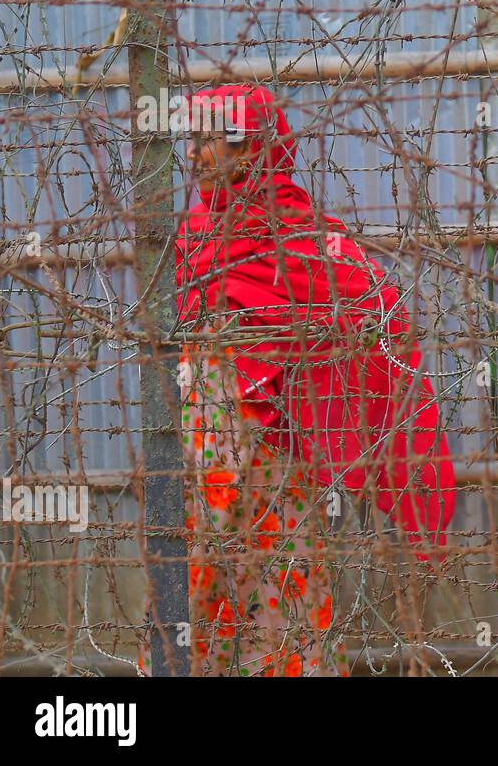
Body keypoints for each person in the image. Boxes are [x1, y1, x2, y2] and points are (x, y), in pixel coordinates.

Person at [173, 84, 455, 675]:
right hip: (211, 434)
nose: (196, 155)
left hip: (280, 441)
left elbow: (373, 306)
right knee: (206, 563)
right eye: (191, 139)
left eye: (213, 141)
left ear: (254, 151)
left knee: (282, 568)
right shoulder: (194, 231)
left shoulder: (300, 232)